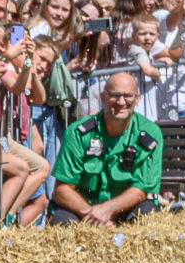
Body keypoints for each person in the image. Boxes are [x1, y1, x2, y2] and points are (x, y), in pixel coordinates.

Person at [49, 71, 162, 225]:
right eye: (115, 95)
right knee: (60, 222)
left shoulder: (151, 133)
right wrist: (95, 217)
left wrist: (107, 210)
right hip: (83, 211)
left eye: (128, 96)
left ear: (137, 99)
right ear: (103, 97)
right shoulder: (78, 133)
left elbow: (140, 191)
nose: (121, 102)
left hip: (125, 211)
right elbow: (62, 190)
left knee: (149, 214)